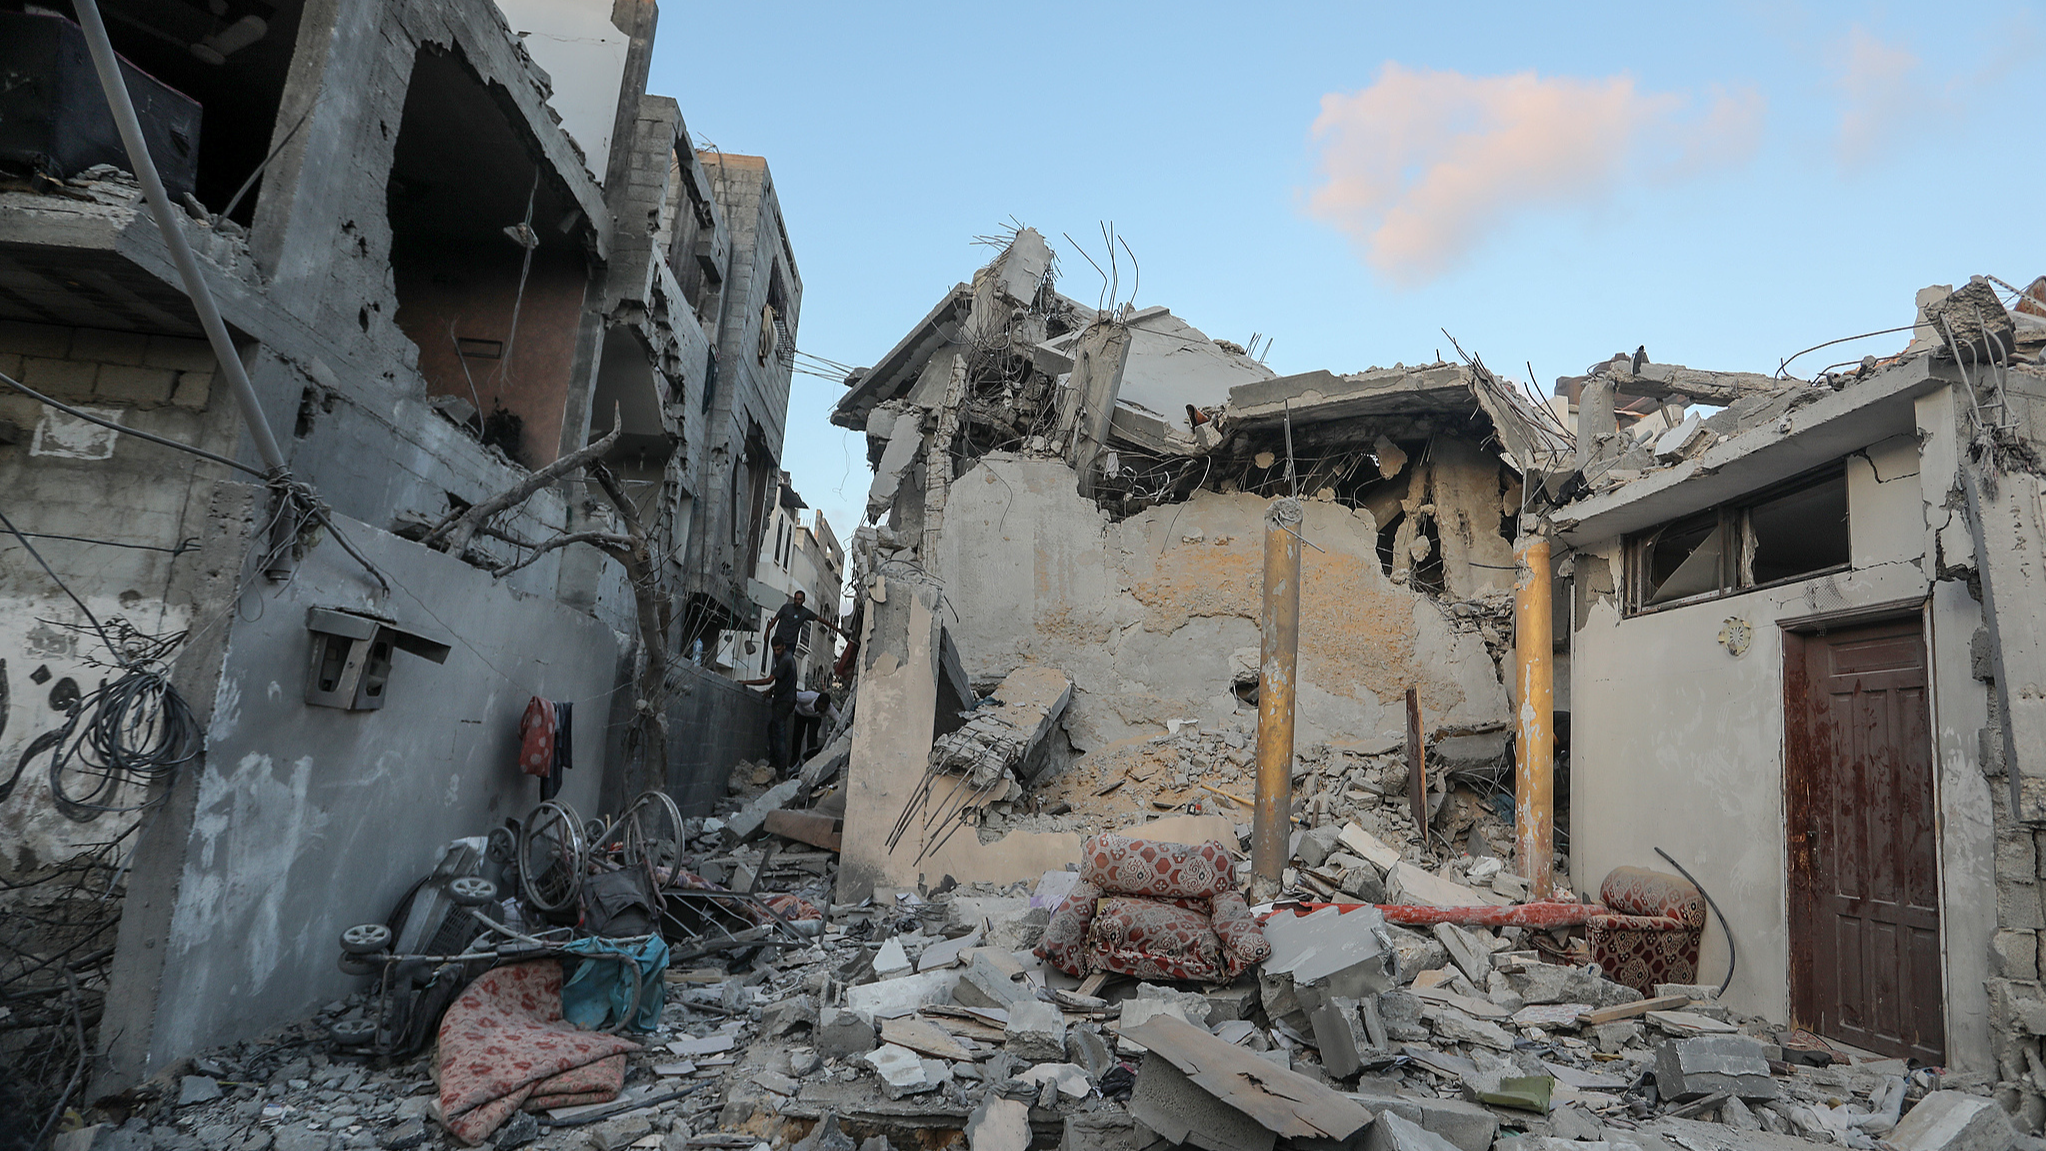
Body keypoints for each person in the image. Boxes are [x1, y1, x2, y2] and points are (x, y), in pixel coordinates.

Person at [740, 637, 799, 772]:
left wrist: (746, 682)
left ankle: (780, 768)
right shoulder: (787, 658)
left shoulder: (785, 660)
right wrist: (771, 690)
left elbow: (769, 680)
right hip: (786, 700)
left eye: (778, 649)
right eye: (774, 650)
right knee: (773, 729)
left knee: (779, 734)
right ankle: (775, 763)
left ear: (783, 646)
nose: (776, 652)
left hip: (784, 702)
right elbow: (782, 681)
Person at [761, 590, 843, 659]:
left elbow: (821, 620)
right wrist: (767, 631)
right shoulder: (786, 608)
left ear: (803, 600)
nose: (797, 601)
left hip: (791, 643)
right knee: (779, 661)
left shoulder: (805, 613)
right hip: (780, 640)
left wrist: (836, 629)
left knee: (787, 661)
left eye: (799, 599)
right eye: (795, 599)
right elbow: (775, 619)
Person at [791, 689, 839, 763]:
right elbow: (792, 695)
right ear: (817, 702)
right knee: (797, 737)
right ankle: (794, 761)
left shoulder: (830, 709)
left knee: (812, 737)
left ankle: (810, 761)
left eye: (824, 708)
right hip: (801, 713)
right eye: (821, 706)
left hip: (815, 718)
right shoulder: (808, 697)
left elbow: (839, 719)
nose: (822, 709)